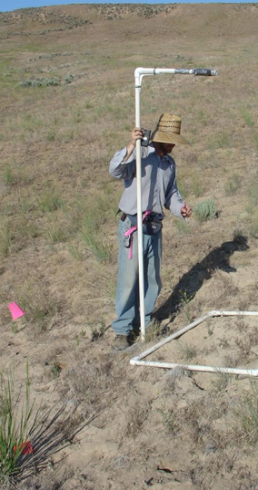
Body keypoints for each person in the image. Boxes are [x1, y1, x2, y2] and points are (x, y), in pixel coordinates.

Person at [109, 113, 192, 350]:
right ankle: (122, 330)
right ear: (161, 138)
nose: (174, 144)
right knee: (128, 280)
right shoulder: (140, 155)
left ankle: (143, 322)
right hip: (133, 228)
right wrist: (129, 146)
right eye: (170, 139)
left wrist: (181, 208)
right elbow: (115, 171)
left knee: (152, 280)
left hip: (155, 228)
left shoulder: (169, 164)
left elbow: (171, 195)